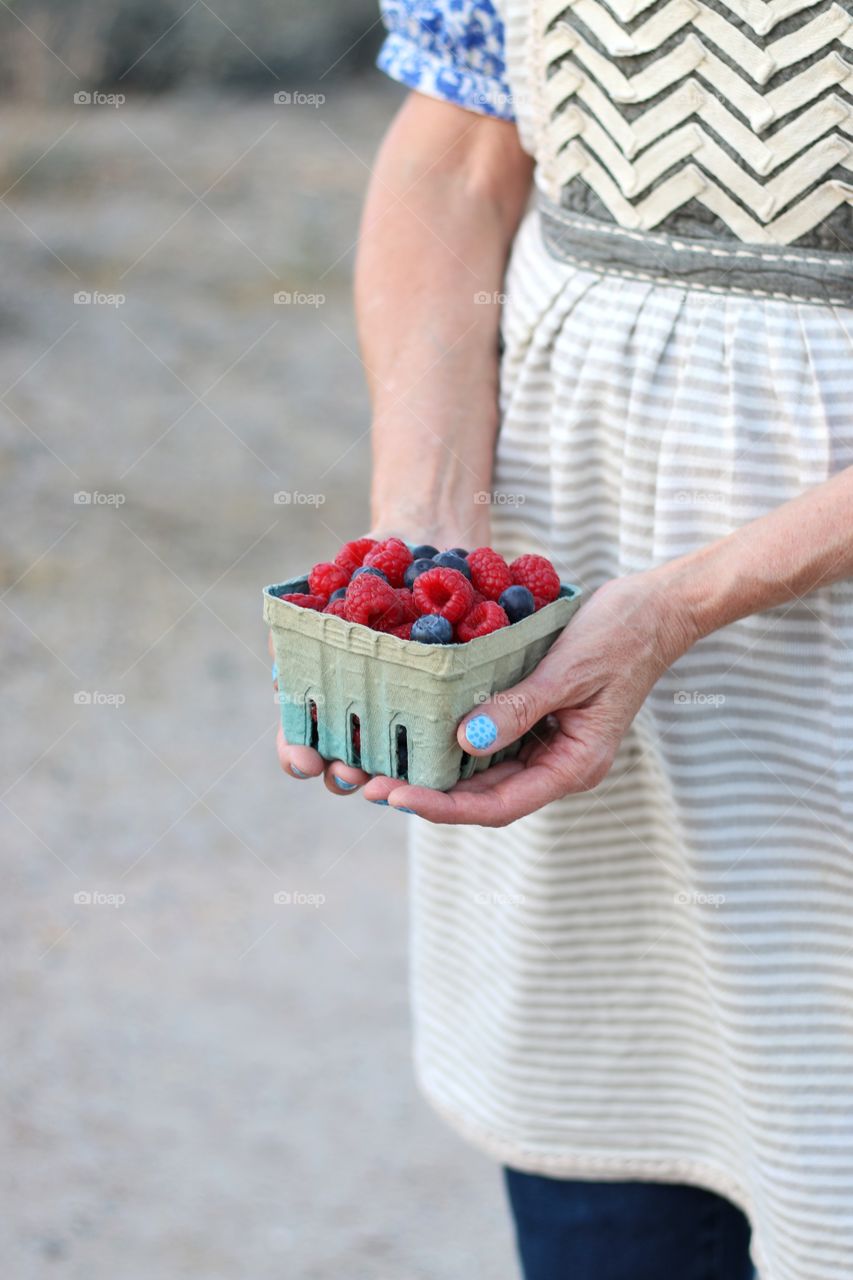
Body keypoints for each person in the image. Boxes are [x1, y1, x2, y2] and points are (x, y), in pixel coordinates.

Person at [275, 2, 853, 1276]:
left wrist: (684, 603)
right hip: (572, 550)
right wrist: (427, 552)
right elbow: (459, 149)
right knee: (608, 1158)